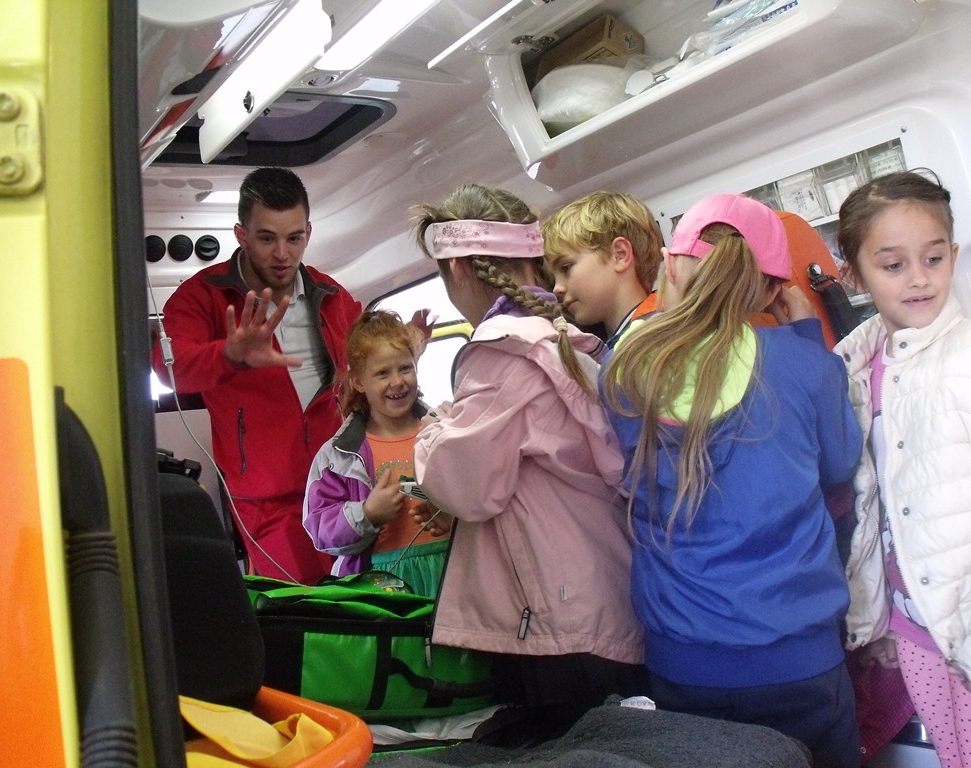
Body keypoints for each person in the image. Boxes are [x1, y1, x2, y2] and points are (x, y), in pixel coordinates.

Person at [600, 193, 864, 768]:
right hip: (799, 660)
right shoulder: (806, 367)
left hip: (683, 663)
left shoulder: (624, 371)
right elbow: (841, 465)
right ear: (771, 292)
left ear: (670, 266)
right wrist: (803, 334)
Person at [409, 183, 646, 743]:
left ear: (457, 267)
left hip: (560, 621)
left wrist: (433, 426)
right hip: (606, 598)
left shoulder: (501, 351)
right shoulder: (565, 338)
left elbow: (463, 485)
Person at [835, 169, 971, 768]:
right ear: (854, 276)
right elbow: (876, 507)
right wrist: (880, 619)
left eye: (933, 258)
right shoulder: (855, 370)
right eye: (893, 264)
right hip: (914, 631)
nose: (919, 278)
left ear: (953, 256)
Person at [153, 166, 361, 585]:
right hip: (265, 499)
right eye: (267, 238)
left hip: (342, 483)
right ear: (241, 235)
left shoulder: (331, 293)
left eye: (294, 238)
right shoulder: (202, 296)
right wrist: (228, 356)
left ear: (308, 233)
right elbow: (167, 367)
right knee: (300, 612)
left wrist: (402, 350)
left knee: (360, 605)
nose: (282, 254)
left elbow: (366, 359)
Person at [302, 310, 449, 598]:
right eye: (383, 373)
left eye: (405, 368)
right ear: (358, 381)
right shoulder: (339, 455)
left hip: (452, 567)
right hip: (382, 586)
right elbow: (319, 527)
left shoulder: (443, 430)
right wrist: (367, 513)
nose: (397, 381)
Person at [541, 191, 662, 346]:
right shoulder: (617, 342)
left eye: (566, 268)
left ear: (620, 255)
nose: (556, 289)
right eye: (554, 278)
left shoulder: (650, 343)